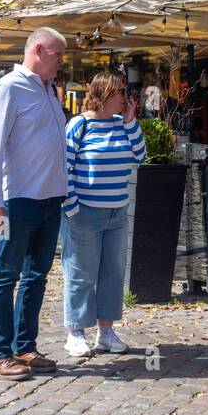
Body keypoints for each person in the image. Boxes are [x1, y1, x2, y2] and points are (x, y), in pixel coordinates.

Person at [0, 27, 68, 380]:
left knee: (37, 275)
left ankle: (25, 346)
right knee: (6, 273)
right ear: (38, 50)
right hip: (15, 201)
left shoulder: (48, 91)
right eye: (58, 54)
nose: (62, 61)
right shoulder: (9, 88)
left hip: (49, 200)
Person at [62, 71, 147, 358]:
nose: (126, 97)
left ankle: (106, 332)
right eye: (121, 91)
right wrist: (72, 206)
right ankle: (76, 332)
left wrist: (131, 121)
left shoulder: (121, 125)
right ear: (106, 94)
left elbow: (140, 155)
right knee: (81, 273)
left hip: (117, 211)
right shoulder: (79, 125)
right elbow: (65, 168)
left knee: (112, 274)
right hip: (85, 212)